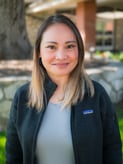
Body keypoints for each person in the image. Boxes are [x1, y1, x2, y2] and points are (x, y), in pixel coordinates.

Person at [5, 14, 122, 164]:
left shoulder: (96, 95)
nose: (61, 55)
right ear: (39, 52)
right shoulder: (22, 97)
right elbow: (13, 156)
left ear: (79, 51)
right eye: (51, 47)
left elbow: (113, 152)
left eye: (70, 46)